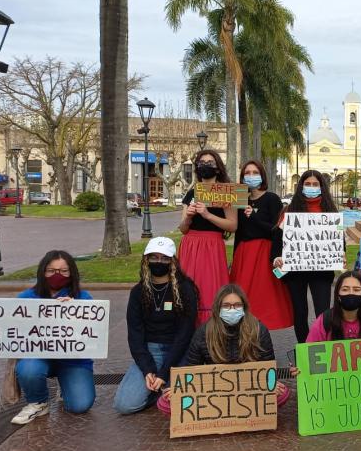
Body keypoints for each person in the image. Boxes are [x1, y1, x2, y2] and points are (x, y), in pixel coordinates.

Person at [0, 251, 95, 424]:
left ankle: (65, 386)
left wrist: (76, 311)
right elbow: (6, 326)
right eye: (51, 271)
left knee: (80, 405)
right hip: (37, 357)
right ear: (42, 272)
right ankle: (38, 402)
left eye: (63, 271)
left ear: (72, 272)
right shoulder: (26, 297)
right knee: (29, 369)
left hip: (73, 361)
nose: (57, 275)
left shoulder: (83, 298)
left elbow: (94, 333)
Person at [160, 284, 289, 409]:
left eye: (237, 305)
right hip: (215, 392)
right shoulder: (203, 333)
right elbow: (191, 368)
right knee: (165, 401)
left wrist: (272, 384)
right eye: (226, 305)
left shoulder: (259, 330)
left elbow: (268, 366)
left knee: (282, 393)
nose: (232, 309)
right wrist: (179, 389)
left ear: (244, 307)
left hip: (250, 389)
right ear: (218, 308)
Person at [113, 237, 198, 415]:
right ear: (146, 260)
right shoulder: (138, 292)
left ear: (172, 261)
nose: (159, 262)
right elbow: (135, 335)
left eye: (165, 258)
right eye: (154, 257)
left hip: (180, 351)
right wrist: (148, 370)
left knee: (183, 403)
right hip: (151, 351)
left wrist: (164, 372)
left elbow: (185, 333)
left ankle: (162, 386)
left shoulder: (185, 289)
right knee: (124, 405)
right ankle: (156, 392)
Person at [272, 170, 339, 343]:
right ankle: (304, 349)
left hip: (322, 271)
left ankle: (323, 348)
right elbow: (277, 242)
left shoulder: (330, 212)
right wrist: (277, 259)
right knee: (300, 313)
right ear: (301, 187)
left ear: (322, 187)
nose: (311, 187)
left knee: (323, 313)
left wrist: (341, 254)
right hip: (295, 272)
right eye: (307, 184)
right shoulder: (288, 212)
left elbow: (339, 241)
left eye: (315, 184)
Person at [230, 160, 293, 330]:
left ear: (262, 176)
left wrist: (254, 217)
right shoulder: (240, 199)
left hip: (264, 252)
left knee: (263, 296)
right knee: (242, 295)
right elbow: (239, 232)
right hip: (244, 253)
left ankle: (262, 335)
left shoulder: (272, 199)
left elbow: (277, 229)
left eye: (255, 173)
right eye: (247, 173)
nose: (251, 176)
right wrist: (235, 257)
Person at [178, 149, 238, 326]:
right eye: (202, 163)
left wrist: (207, 215)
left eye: (210, 162)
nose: (205, 166)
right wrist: (188, 218)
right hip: (190, 246)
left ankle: (211, 327)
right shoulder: (191, 193)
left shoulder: (226, 192)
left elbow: (232, 225)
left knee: (210, 288)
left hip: (212, 246)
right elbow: (183, 229)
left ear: (218, 168)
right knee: (188, 288)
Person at [305, 271, 361, 342]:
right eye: (345, 289)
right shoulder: (325, 320)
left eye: (356, 289)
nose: (351, 293)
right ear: (338, 295)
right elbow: (308, 352)